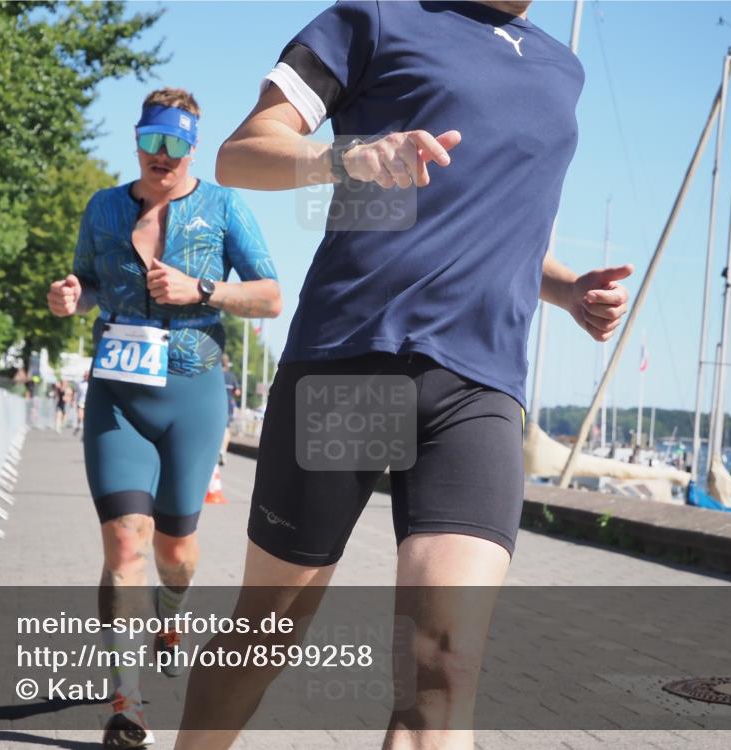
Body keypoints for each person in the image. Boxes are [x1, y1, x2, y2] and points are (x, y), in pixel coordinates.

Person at [176, 3, 632, 749]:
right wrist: (344, 158)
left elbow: (494, 218)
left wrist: (567, 288)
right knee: (267, 631)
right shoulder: (376, 18)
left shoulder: (562, 68)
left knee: (443, 666)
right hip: (352, 358)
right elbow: (242, 152)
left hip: (481, 385)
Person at [46, 87, 281, 748]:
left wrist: (202, 288)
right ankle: (127, 704)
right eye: (152, 141)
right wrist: (72, 295)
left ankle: (170, 615)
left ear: (192, 146)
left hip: (193, 397)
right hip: (117, 396)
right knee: (125, 543)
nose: (162, 156)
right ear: (138, 141)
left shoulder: (224, 206)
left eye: (175, 144)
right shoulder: (103, 207)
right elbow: (86, 280)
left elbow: (269, 297)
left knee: (175, 553)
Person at [219, 353, 241, 464]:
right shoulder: (231, 376)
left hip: (217, 402)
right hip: (228, 403)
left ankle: (215, 450)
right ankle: (222, 451)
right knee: (226, 428)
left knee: (216, 426)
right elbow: (237, 392)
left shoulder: (216, 374)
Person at [74, 370, 90, 437]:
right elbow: (76, 393)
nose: (86, 377)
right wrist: (74, 401)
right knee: (81, 417)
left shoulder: (91, 384)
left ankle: (84, 433)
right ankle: (78, 426)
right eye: (85, 375)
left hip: (88, 403)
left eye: (87, 375)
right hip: (80, 402)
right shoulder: (80, 383)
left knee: (86, 419)